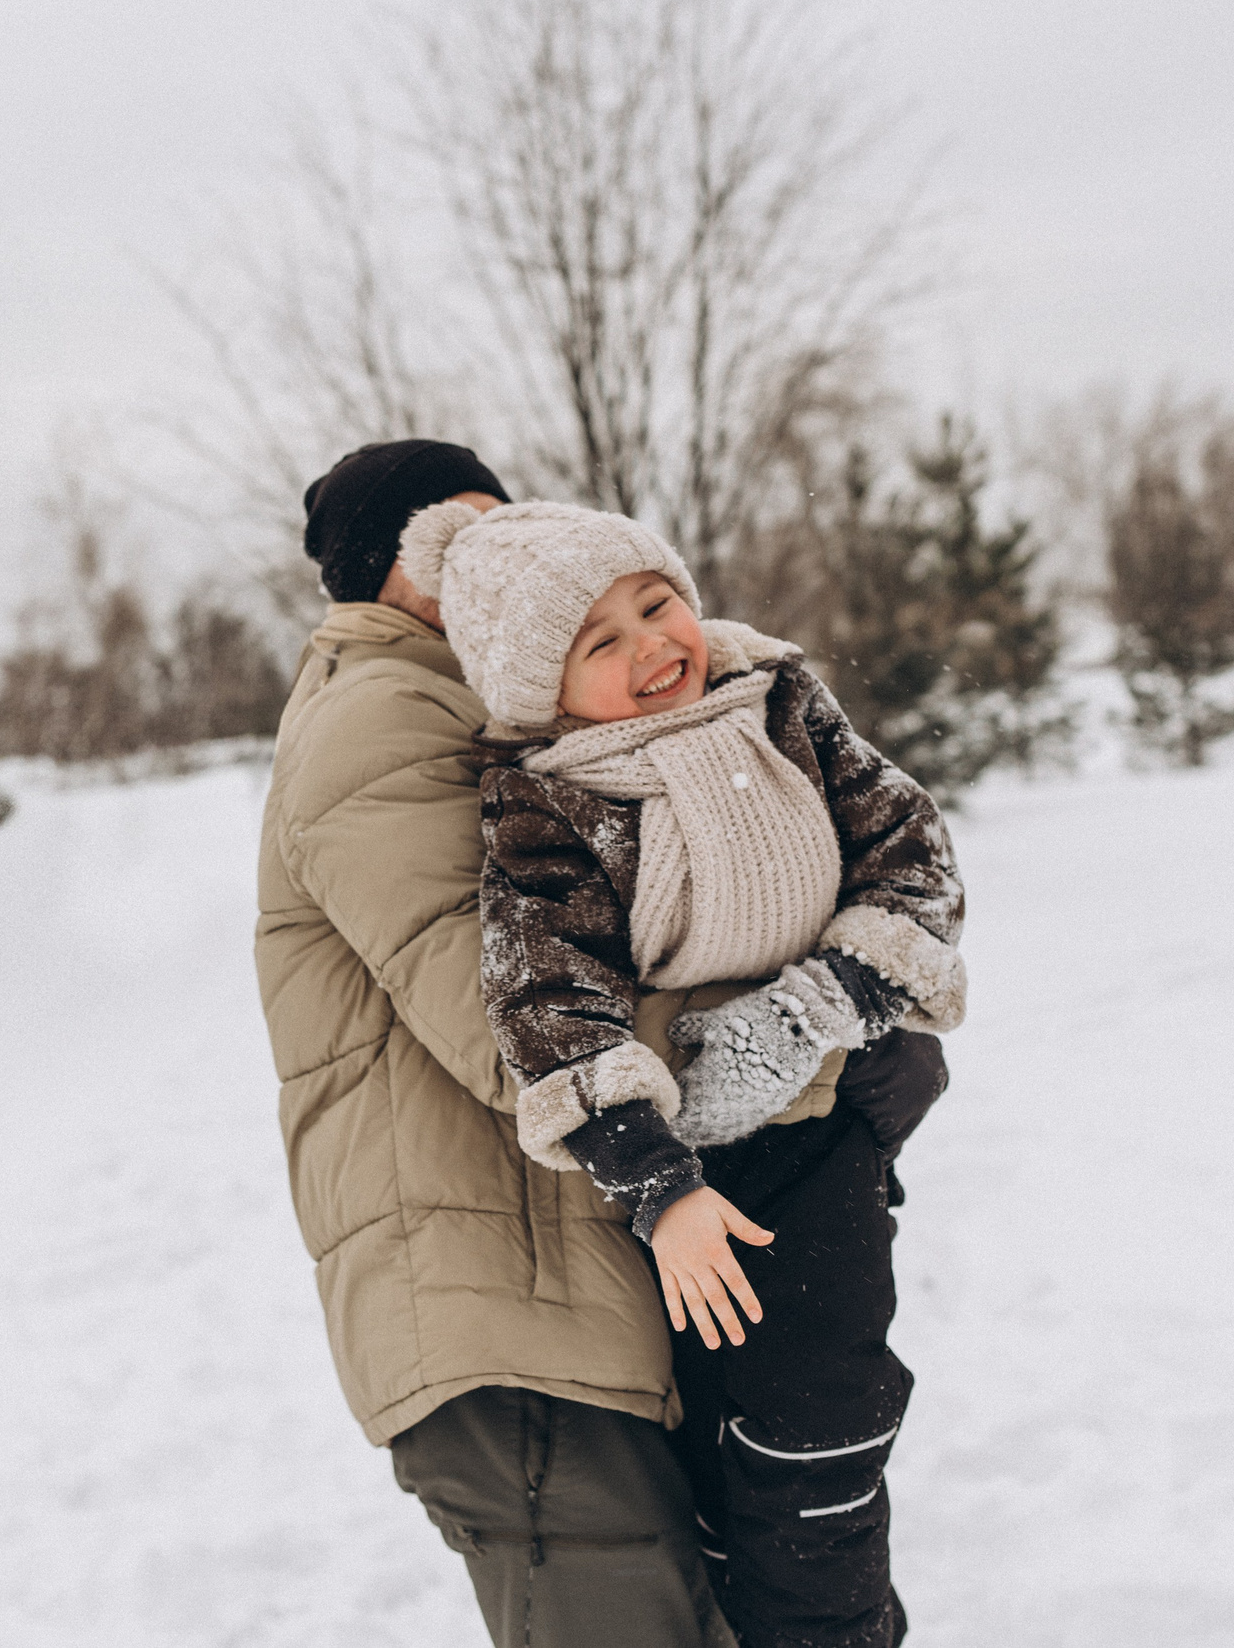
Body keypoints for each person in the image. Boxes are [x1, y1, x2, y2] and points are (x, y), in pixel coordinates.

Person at [394, 497, 964, 1648]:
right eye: (599, 641)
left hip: (819, 1124)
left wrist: (822, 1003)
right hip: (684, 1180)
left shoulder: (782, 703)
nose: (653, 644)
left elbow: (912, 855)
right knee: (726, 1442)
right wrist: (660, 1184)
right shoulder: (548, 804)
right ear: (542, 690)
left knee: (827, 1422)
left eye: (656, 603)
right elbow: (549, 1002)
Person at [256, 440, 733, 1648]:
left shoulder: (473, 700)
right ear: (387, 574)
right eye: (456, 535)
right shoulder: (380, 718)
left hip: (551, 1295)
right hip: (504, 1320)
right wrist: (805, 1036)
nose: (500, 557)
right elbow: (509, 1015)